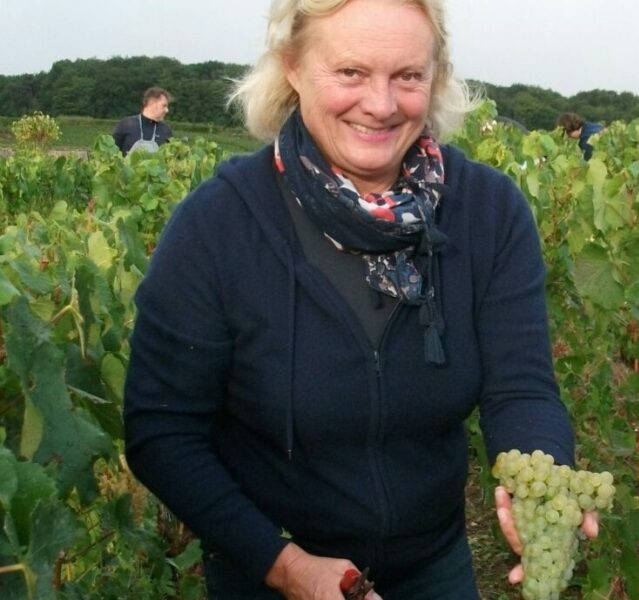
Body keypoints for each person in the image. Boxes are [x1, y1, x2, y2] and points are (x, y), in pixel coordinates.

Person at [123, 0, 598, 598]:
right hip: (267, 566)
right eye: (350, 72)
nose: (380, 103)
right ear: (293, 67)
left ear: (437, 78)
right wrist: (284, 565)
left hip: (434, 567)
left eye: (408, 76)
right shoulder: (217, 226)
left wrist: (540, 480)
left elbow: (520, 388)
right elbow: (162, 430)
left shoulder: (489, 211)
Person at [113, 86, 173, 154]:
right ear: (152, 103)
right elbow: (112, 155)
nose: (167, 110)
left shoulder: (166, 130)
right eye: (164, 106)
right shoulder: (126, 125)